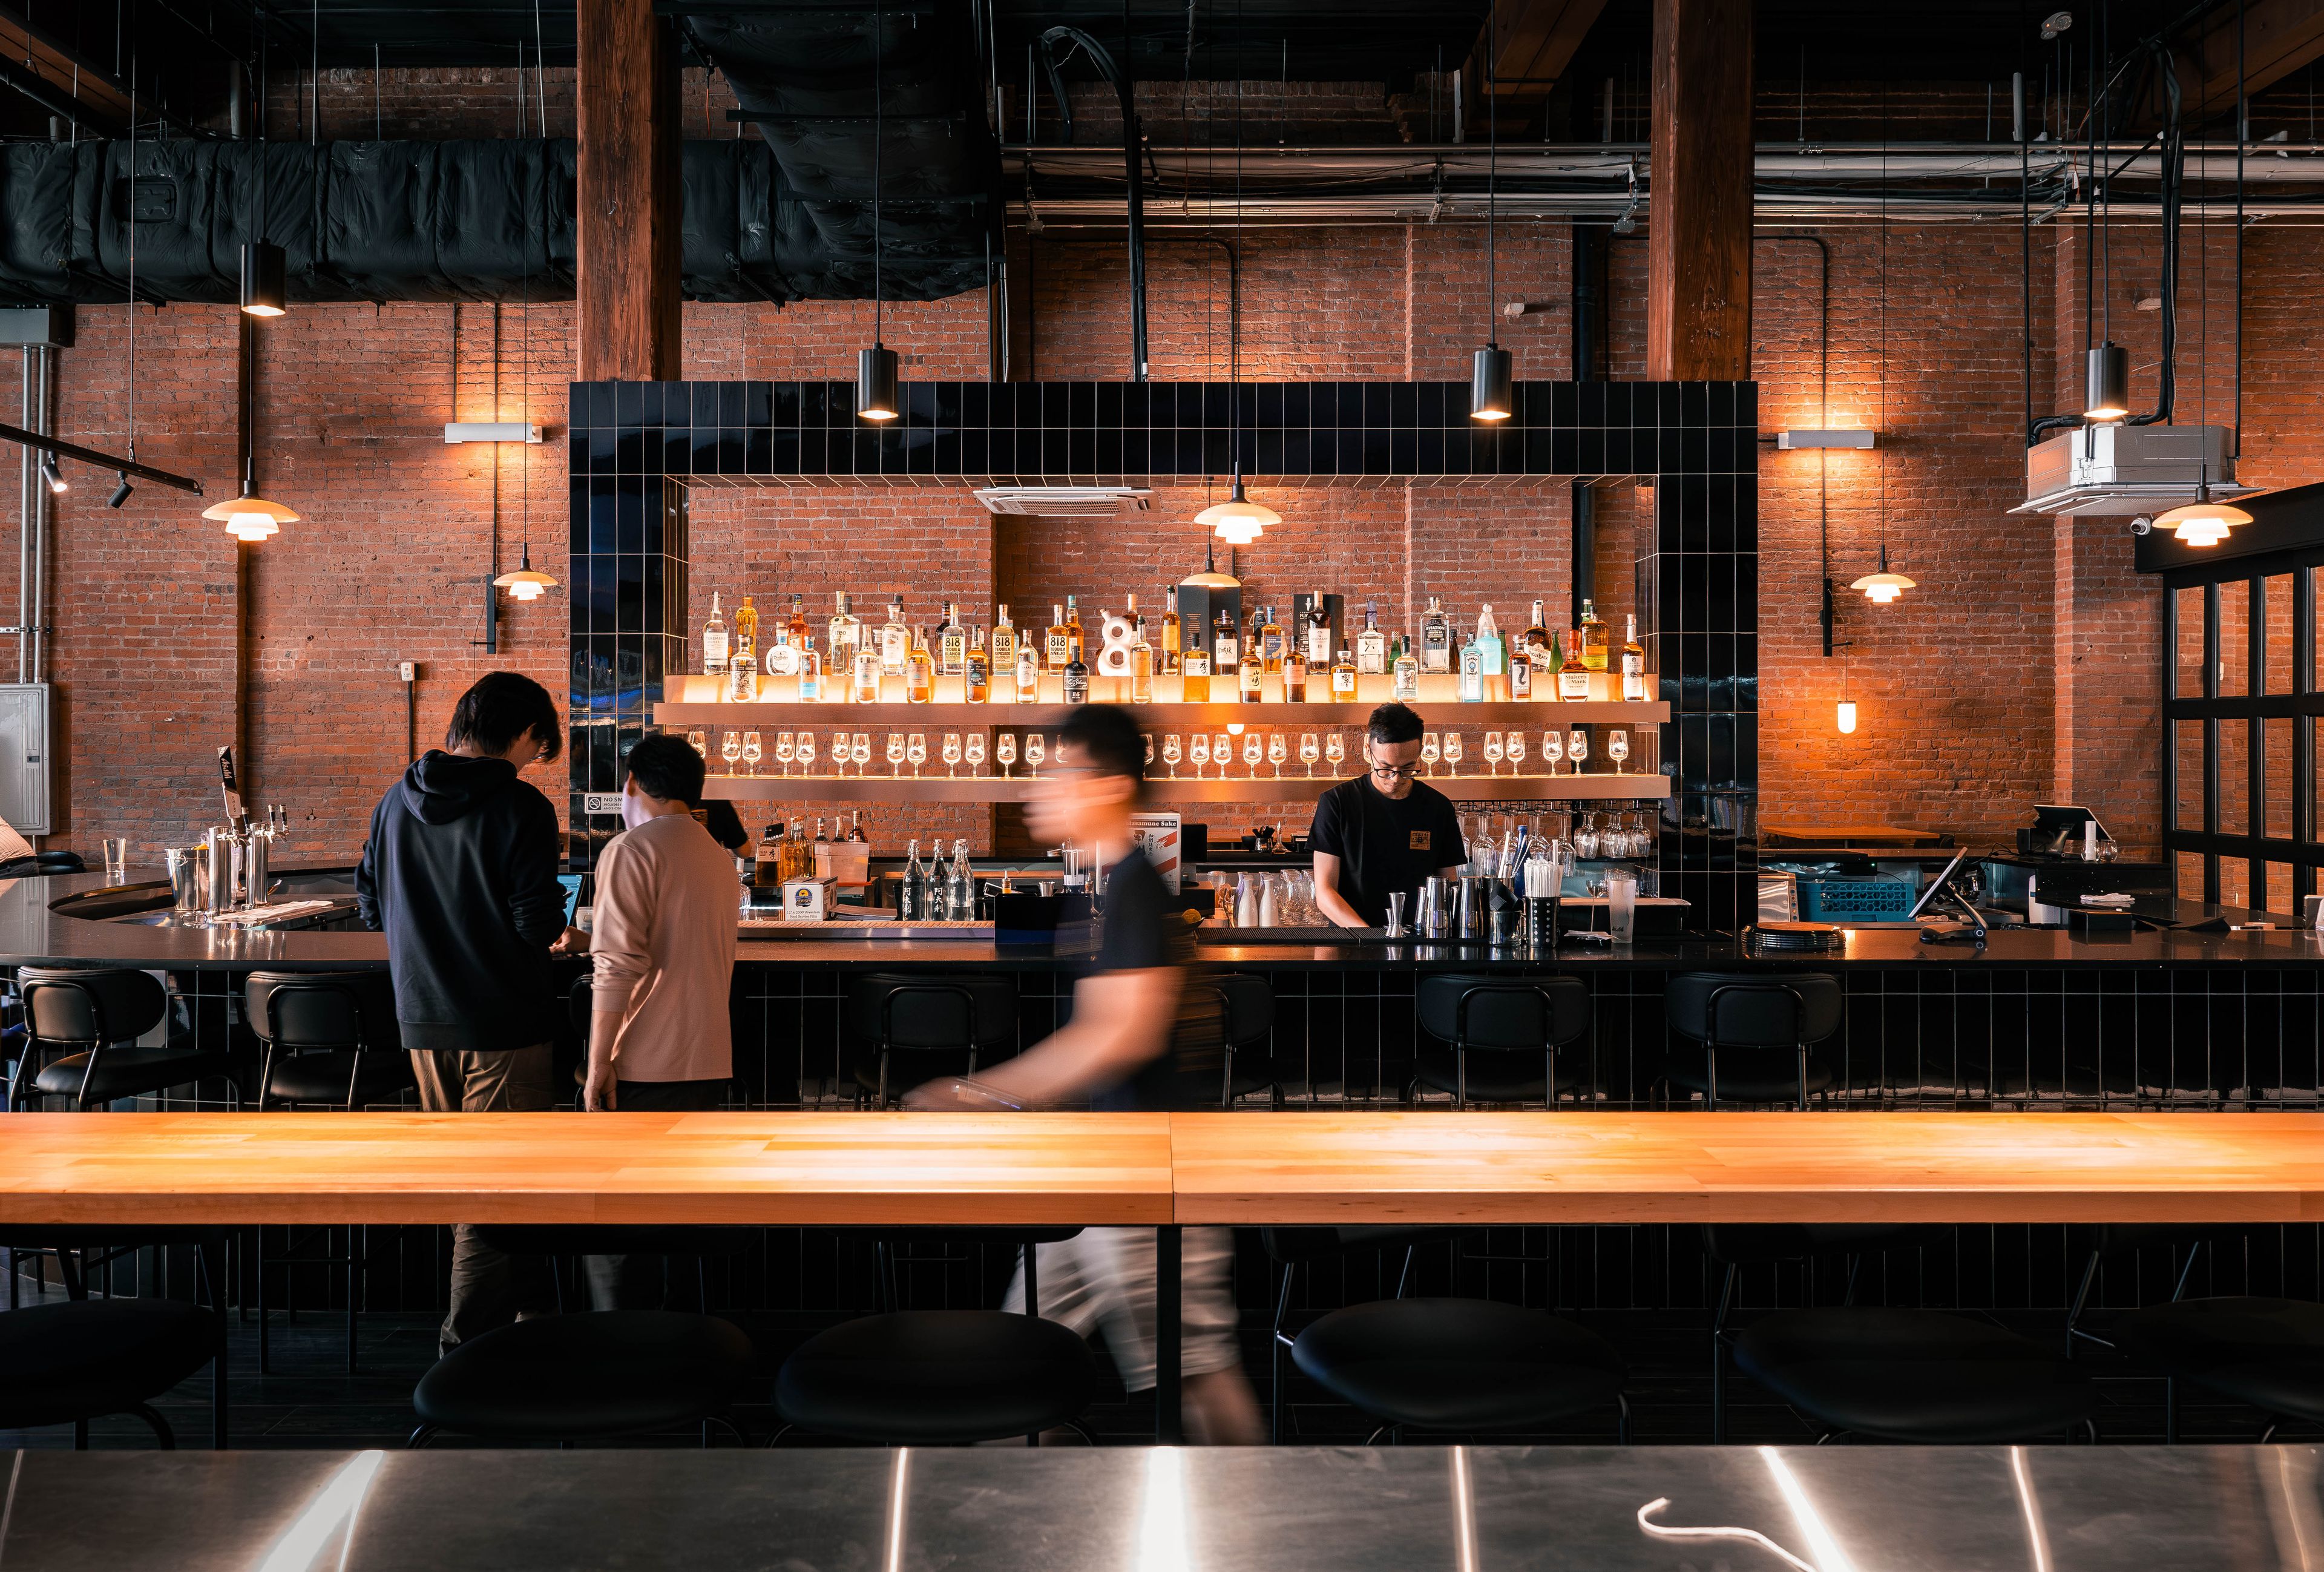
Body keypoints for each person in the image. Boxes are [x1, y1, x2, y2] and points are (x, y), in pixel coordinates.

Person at [904, 703, 1262, 1445]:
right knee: (1023, 1354)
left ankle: (1262, 1533)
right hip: (1108, 1167)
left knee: (1196, 1374)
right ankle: (1024, 1510)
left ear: (1107, 785)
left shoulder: (1134, 887)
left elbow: (1117, 1035)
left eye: (1054, 772)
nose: (1038, 788)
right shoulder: (1110, 886)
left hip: (1148, 1180)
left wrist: (979, 1094)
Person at [355, 671, 568, 1355]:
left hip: (422, 1019)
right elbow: (537, 924)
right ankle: (463, 1353)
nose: (537, 758)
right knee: (495, 1187)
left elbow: (368, 905)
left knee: (498, 1178)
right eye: (540, 744)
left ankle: (528, 1319)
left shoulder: (395, 801)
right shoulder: (522, 808)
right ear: (525, 732)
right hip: (504, 1021)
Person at [551, 732, 740, 1310]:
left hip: (642, 1063)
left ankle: (618, 1361)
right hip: (707, 1060)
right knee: (681, 1219)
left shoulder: (630, 850)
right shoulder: (717, 856)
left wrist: (598, 1062)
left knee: (616, 1224)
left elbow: (617, 968)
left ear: (631, 784)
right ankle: (684, 1355)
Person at [1310, 702, 1468, 929]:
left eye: (1407, 769)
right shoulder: (1337, 803)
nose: (1395, 779)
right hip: (1352, 944)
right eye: (1385, 768)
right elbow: (1325, 893)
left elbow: (1449, 886)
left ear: (1420, 752)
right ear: (1367, 750)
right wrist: (1370, 938)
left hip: (1420, 947)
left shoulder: (1438, 807)